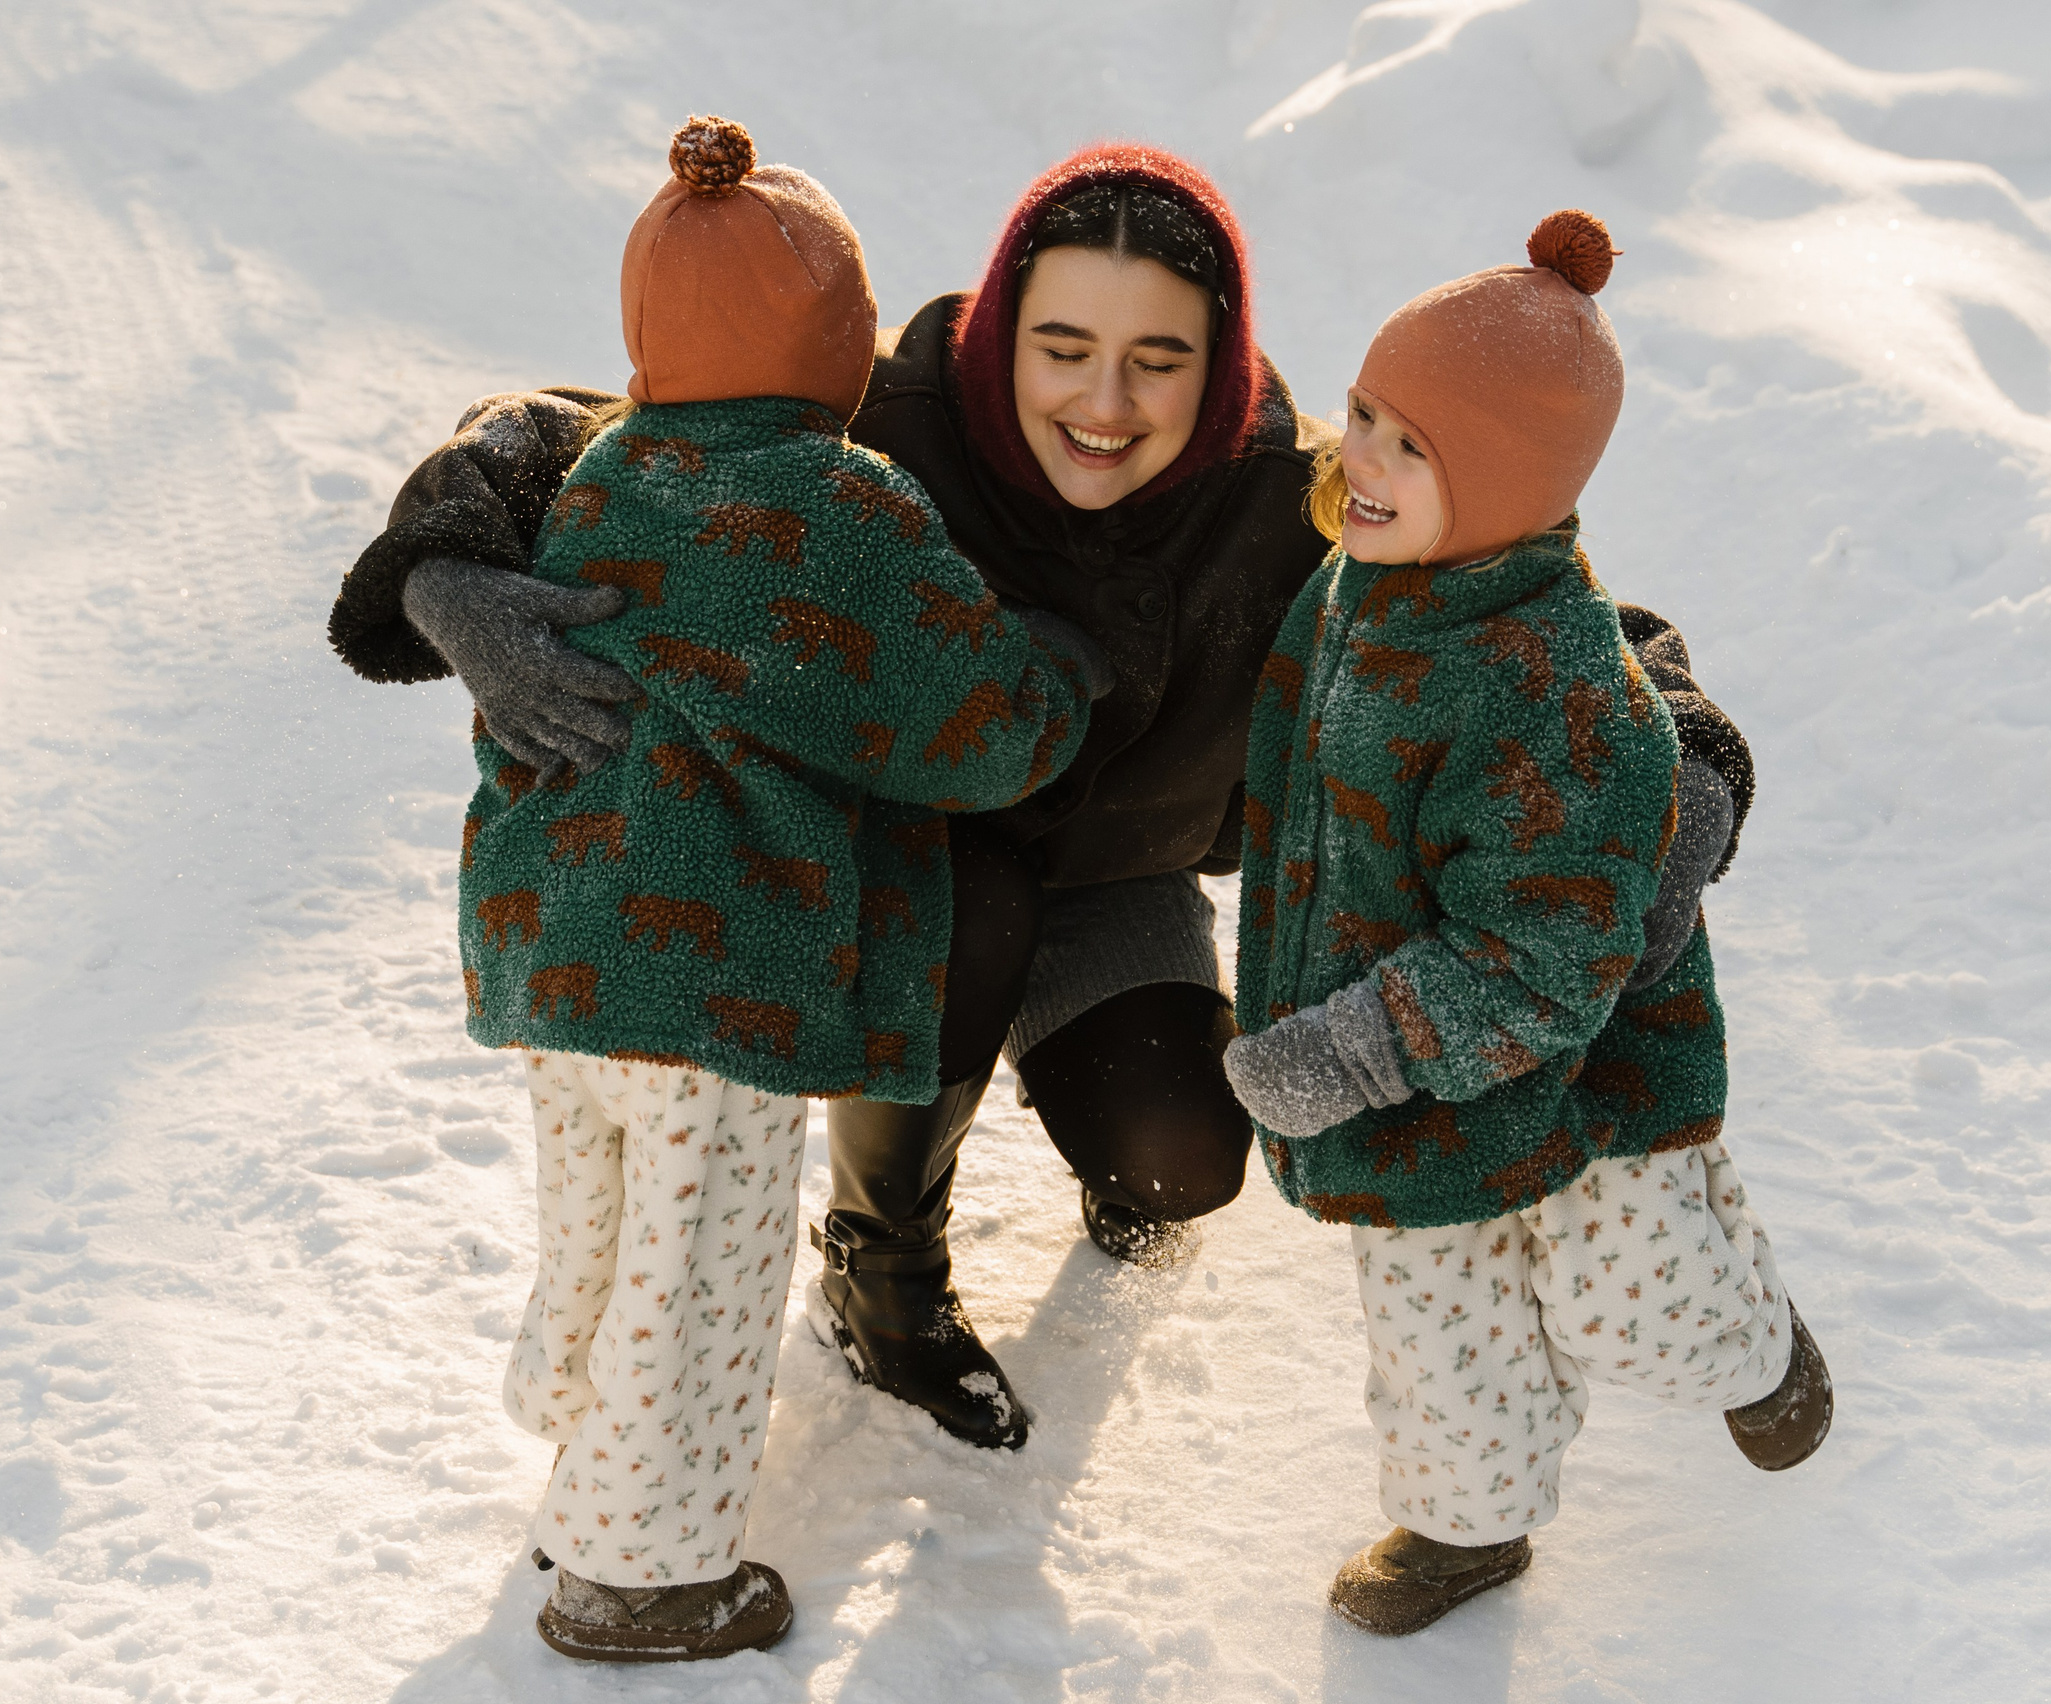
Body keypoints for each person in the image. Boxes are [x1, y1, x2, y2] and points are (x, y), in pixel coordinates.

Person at [326, 146, 1759, 1455]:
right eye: (1061, 348)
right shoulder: (871, 425)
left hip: (1115, 876)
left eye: (1161, 359)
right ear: (1006, 328)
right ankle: (880, 1267)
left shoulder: (1296, 492)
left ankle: (1109, 1141)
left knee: (1185, 1160)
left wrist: (1684, 756)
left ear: (1225, 363)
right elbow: (568, 426)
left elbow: (1542, 613)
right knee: (972, 926)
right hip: (891, 871)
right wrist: (446, 570)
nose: (1104, 402)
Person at [442, 116, 1099, 1663]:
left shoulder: (599, 476)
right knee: (705, 1262)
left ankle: (581, 1454)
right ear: (842, 344)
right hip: (718, 980)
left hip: (554, 946)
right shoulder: (840, 506)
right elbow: (970, 726)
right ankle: (645, 1572)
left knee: (596, 1220)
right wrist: (1055, 679)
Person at [1218, 212, 1832, 1638]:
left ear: (1504, 482)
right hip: (1414, 1091)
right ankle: (1466, 1525)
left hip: (1584, 1079)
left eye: (1408, 443)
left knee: (1634, 1303)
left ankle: (1751, 1344)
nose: (1356, 456)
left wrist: (1354, 1050)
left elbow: (1543, 959)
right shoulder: (1360, 583)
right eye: (1363, 414)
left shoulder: (1552, 690)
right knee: (1435, 1316)